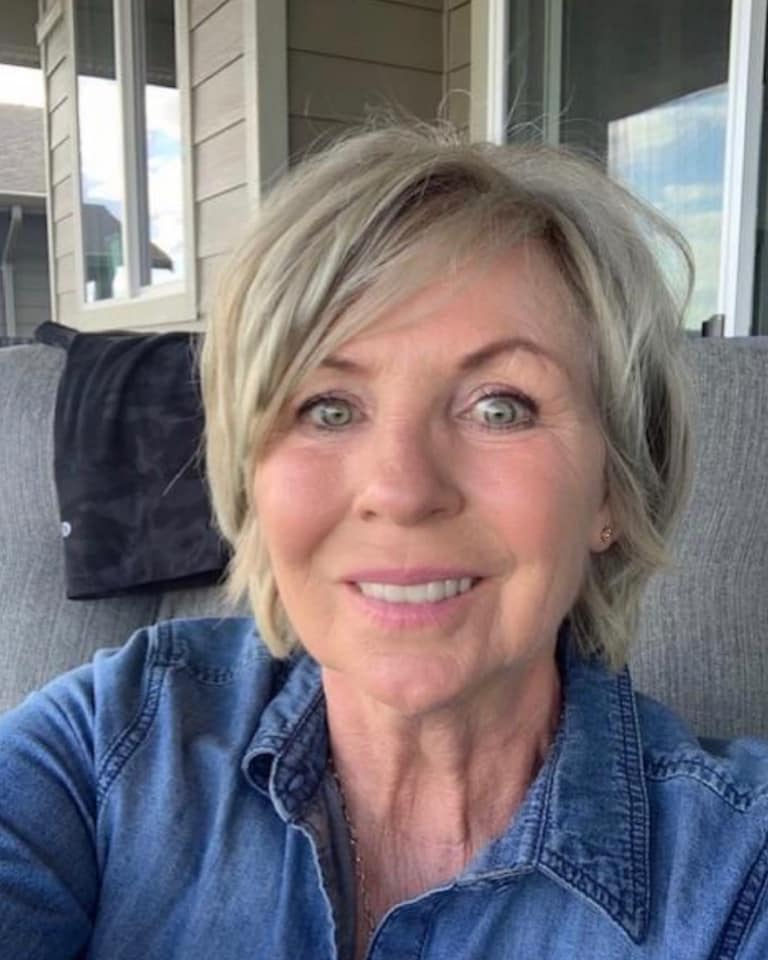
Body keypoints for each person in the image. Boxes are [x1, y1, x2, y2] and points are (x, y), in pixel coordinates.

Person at [1, 124, 767, 960]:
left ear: (613, 485)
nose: (401, 490)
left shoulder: (739, 872)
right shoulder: (108, 742)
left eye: (500, 406)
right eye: (328, 408)